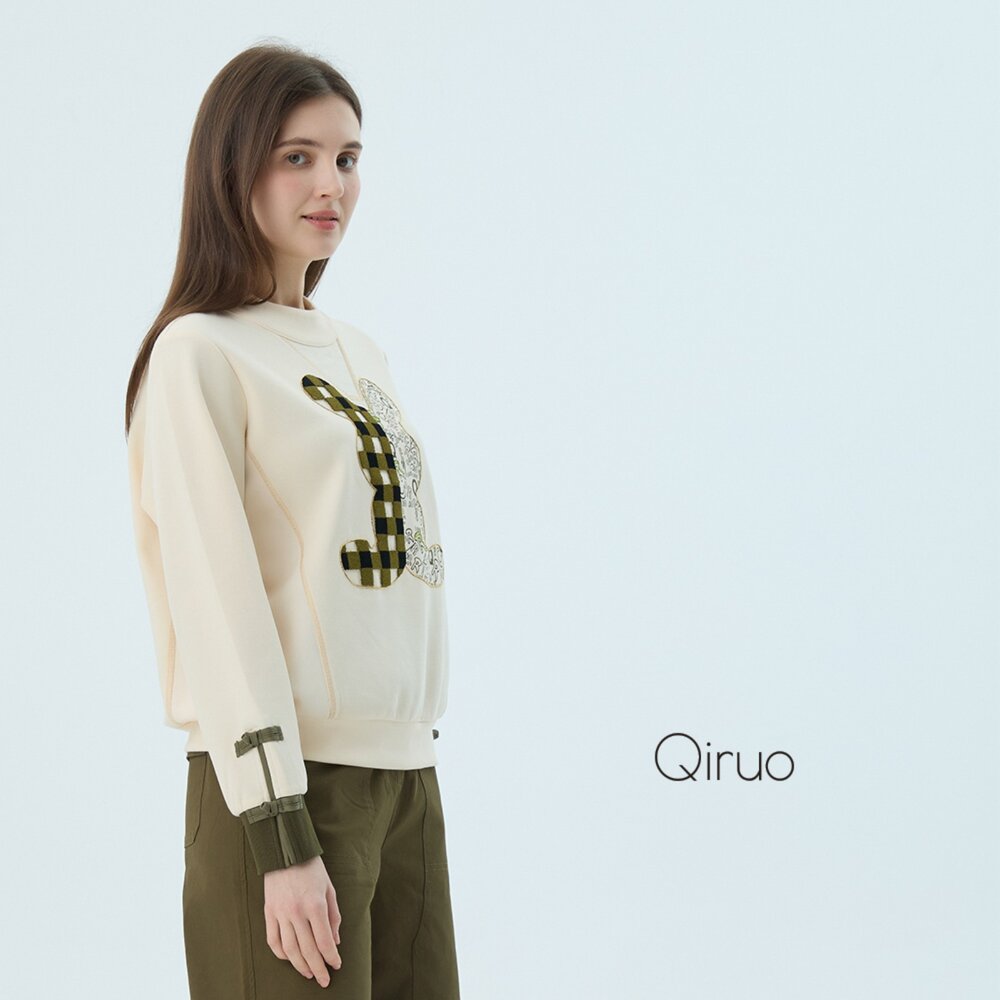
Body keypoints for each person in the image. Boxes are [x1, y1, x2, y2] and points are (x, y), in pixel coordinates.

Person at [123, 42, 461, 999]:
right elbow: (215, 598)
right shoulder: (199, 353)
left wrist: (409, 776)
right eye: (297, 156)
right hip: (287, 791)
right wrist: (279, 830)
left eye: (347, 158)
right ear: (233, 167)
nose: (331, 185)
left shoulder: (359, 351)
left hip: (405, 778)